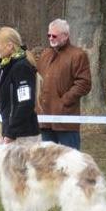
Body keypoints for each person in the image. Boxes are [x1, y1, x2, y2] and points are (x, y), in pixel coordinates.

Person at [0, 26, 41, 211]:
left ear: (10, 46)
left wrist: (10, 133)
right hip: (15, 132)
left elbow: (24, 103)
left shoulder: (21, 68)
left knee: (17, 187)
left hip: (23, 136)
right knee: (20, 186)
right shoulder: (9, 66)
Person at [36, 19, 92, 150]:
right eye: (49, 35)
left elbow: (84, 83)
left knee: (70, 158)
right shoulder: (45, 55)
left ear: (65, 36)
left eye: (54, 35)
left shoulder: (78, 55)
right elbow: (38, 79)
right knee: (46, 159)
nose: (51, 38)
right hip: (44, 118)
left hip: (66, 119)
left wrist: (64, 101)